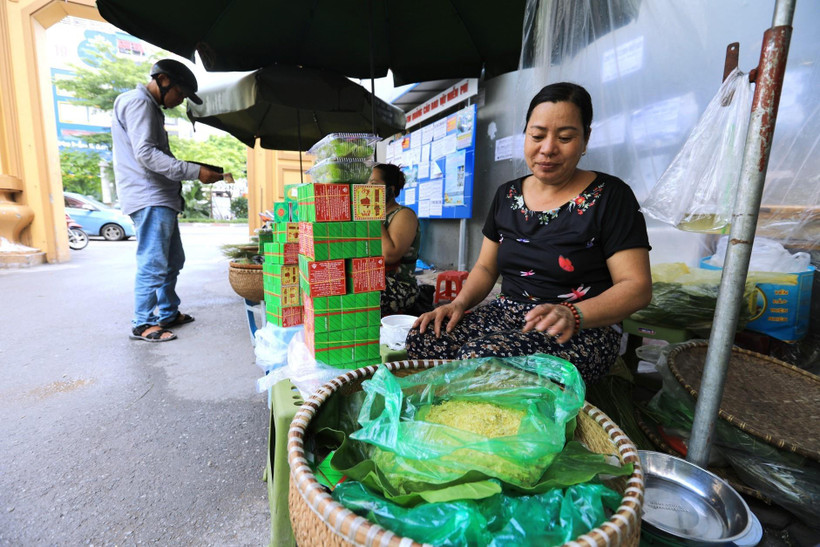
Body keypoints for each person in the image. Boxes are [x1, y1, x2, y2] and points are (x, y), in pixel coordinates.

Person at [406, 82, 652, 384]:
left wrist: (573, 314)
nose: (547, 148)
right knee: (425, 338)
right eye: (537, 135)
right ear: (525, 135)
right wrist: (457, 304)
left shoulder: (611, 196)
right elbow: (485, 267)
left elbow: (636, 287)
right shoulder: (507, 194)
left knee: (481, 359)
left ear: (586, 139)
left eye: (565, 137)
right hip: (508, 313)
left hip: (580, 328)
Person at [112, 59, 227, 342]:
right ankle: (143, 323)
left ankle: (168, 312)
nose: (180, 100)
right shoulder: (139, 103)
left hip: (159, 196)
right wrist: (195, 171)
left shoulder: (146, 106)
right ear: (163, 80)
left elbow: (153, 154)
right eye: (181, 93)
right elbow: (147, 155)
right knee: (153, 263)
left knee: (173, 260)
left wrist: (195, 168)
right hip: (149, 197)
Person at [368, 163, 423, 316]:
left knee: (360, 292)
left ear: (390, 190)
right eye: (365, 183)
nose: (366, 188)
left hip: (399, 285)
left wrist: (371, 214)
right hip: (372, 277)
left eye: (373, 184)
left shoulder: (404, 215)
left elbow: (389, 255)